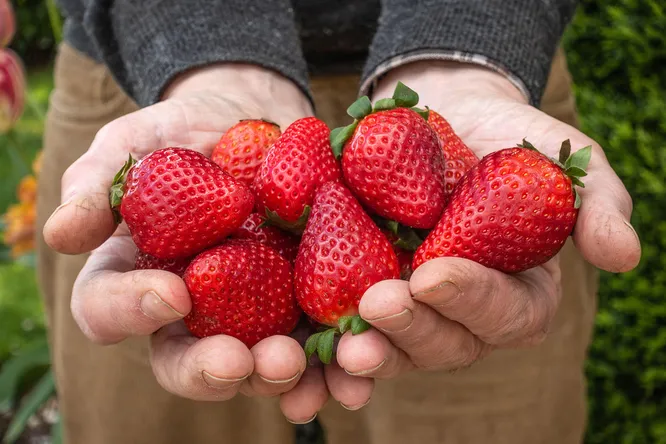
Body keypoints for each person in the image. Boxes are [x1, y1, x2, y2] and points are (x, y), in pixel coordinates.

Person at [36, 1, 641, 443]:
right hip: (153, 71)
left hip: (488, 74)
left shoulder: (448, 165)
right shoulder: (209, 180)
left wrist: (464, 53)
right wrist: (211, 59)